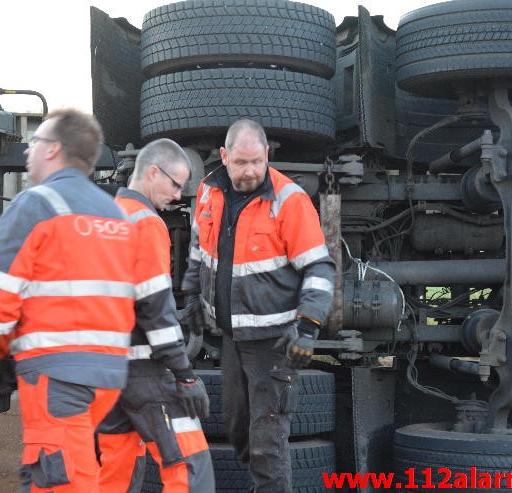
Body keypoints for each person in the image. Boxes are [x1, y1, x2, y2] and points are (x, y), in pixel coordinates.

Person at [0, 109, 137, 493]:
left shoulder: (36, 205)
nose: (28, 151)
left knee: (59, 479)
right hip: (108, 376)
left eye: (35, 143)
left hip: (58, 376)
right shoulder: (114, 214)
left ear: (54, 150)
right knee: (66, 470)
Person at [180, 119, 336, 492]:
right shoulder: (208, 191)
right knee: (238, 429)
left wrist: (308, 326)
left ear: (267, 155)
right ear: (224, 157)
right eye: (240, 163)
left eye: (256, 162)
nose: (249, 171)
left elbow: (319, 268)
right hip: (233, 337)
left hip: (274, 342)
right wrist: (191, 295)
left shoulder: (290, 200)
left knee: (268, 442)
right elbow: (199, 249)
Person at [97, 138, 214, 492]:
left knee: (115, 469)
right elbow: (154, 308)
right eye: (175, 184)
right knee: (190, 467)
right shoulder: (146, 222)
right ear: (152, 172)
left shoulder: (104, 218)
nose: (179, 195)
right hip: (145, 371)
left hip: (104, 373)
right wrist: (184, 373)